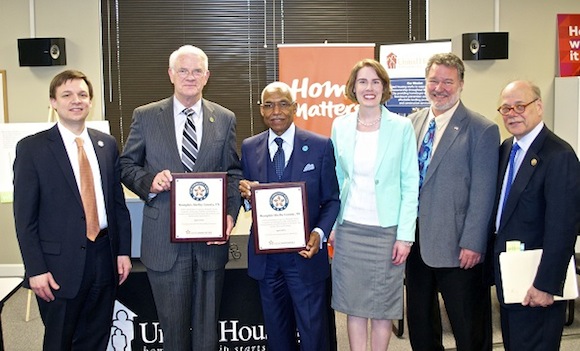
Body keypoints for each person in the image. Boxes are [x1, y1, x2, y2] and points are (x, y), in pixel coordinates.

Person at [120, 45, 242, 350]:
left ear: (207, 77)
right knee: (173, 333)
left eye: (197, 71)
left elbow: (233, 173)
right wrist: (150, 181)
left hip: (209, 243)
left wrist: (229, 216)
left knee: (206, 335)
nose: (190, 77)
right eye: (183, 70)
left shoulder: (224, 119)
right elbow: (125, 165)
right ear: (171, 74)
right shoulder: (146, 116)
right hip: (164, 242)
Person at [13, 69, 132, 350]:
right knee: (59, 340)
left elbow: (117, 205)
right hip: (57, 267)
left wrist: (123, 251)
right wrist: (36, 269)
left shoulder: (106, 145)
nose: (75, 100)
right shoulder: (32, 149)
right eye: (66, 95)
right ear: (53, 102)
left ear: (90, 102)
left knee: (97, 336)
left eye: (82, 95)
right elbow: (24, 218)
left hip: (104, 258)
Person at [405, 52, 499, 351]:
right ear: (425, 82)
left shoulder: (481, 129)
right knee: (421, 324)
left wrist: (473, 242)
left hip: (458, 246)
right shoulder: (411, 123)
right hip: (415, 243)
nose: (440, 88)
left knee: (467, 326)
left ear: (461, 84)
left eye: (448, 81)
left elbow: (483, 193)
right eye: (434, 81)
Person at [238, 81, 340, 351]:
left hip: (304, 259)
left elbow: (331, 200)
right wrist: (247, 197)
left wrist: (319, 234)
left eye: (283, 103)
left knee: (313, 336)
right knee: (277, 336)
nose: (276, 111)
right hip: (267, 261)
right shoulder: (249, 148)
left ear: (295, 108)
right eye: (269, 105)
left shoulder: (320, 146)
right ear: (261, 110)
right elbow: (249, 202)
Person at [329, 59, 418, 350]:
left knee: (382, 308)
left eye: (375, 82)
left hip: (387, 232)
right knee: (354, 306)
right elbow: (337, 178)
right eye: (363, 82)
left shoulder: (401, 127)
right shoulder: (340, 125)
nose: (369, 88)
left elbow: (409, 184)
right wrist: (332, 225)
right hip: (350, 229)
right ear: (353, 87)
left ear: (384, 87)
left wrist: (405, 236)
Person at [492, 80, 580, 350]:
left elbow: (563, 227)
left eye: (520, 106)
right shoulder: (508, 148)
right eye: (505, 108)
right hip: (511, 277)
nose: (512, 113)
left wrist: (546, 284)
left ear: (539, 107)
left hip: (536, 282)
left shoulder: (559, 155)